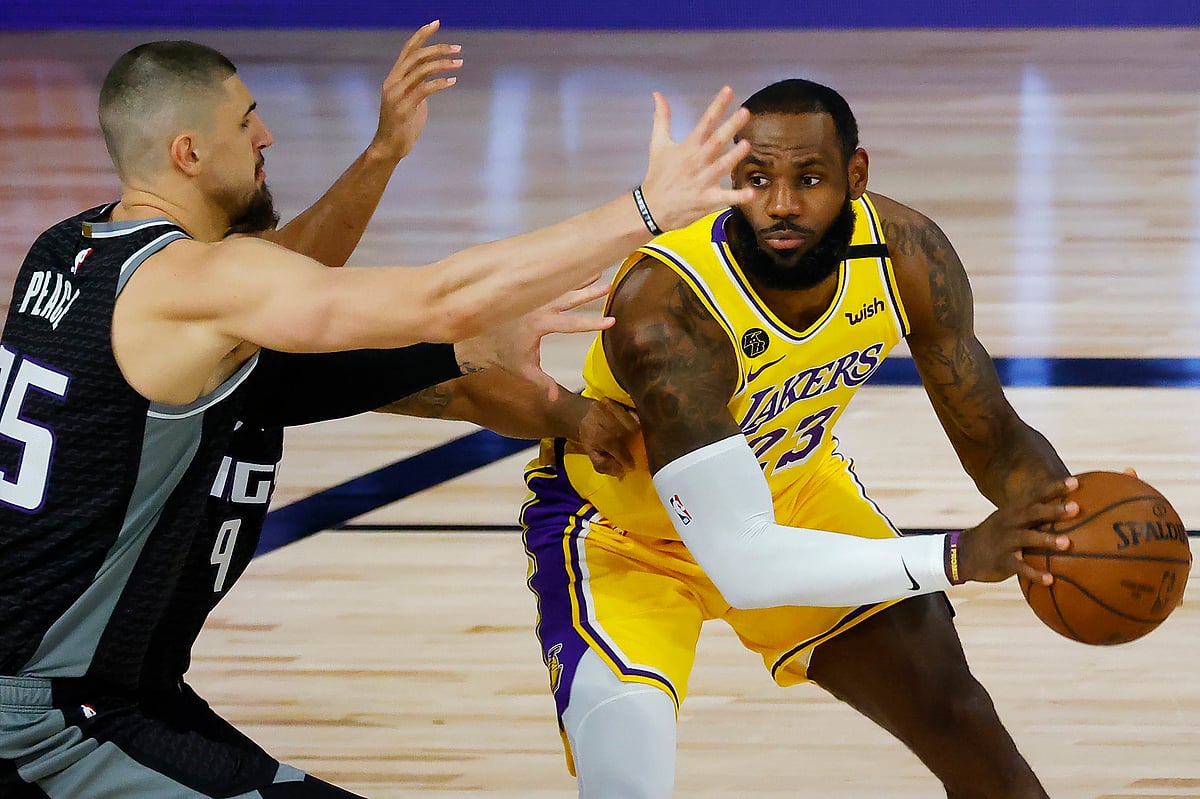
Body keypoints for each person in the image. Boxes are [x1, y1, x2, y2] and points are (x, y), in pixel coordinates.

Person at [0, 24, 751, 798]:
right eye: (245, 119)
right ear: (188, 153)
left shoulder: (71, 251)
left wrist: (385, 155)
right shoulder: (187, 288)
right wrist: (646, 208)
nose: (266, 134)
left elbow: (285, 280)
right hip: (50, 722)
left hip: (116, 695)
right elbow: (436, 299)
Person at [518, 78, 1084, 798]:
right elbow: (744, 560)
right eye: (757, 180)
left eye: (809, 179)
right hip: (622, 535)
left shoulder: (907, 253)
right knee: (629, 777)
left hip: (793, 494)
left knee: (962, 721)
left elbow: (994, 438)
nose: (781, 205)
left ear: (856, 175)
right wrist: (958, 554)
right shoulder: (668, 306)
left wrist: (1067, 514)